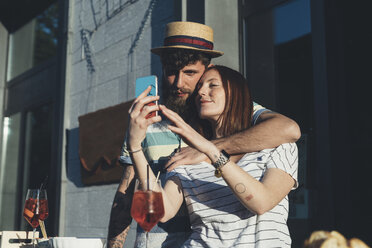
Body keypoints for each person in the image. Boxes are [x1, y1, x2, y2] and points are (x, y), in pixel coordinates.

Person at [106, 21, 301, 248]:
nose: (179, 83)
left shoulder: (253, 122)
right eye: (171, 72)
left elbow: (288, 130)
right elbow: (138, 199)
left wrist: (207, 148)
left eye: (190, 73)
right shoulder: (146, 124)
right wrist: (135, 144)